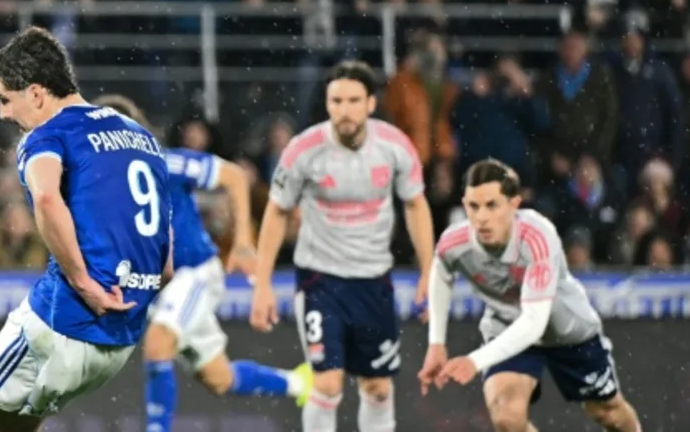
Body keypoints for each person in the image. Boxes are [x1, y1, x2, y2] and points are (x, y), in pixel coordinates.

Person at [0, 27, 172, 432]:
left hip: (61, 321)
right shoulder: (140, 137)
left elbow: (47, 198)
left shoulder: (47, 134)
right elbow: (167, 261)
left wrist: (84, 281)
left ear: (36, 93)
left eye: (5, 99)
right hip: (119, 340)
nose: (2, 113)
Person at [92, 94, 311, 430]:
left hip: (195, 272)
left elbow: (235, 177)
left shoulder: (167, 163)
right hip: (163, 288)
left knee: (158, 342)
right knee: (218, 377)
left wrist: (241, 243)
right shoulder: (97, 190)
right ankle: (299, 384)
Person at [250, 60, 436, 432]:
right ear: (326, 103)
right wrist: (262, 283)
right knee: (327, 383)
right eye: (336, 101)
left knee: (379, 388)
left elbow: (416, 205)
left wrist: (428, 274)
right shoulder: (303, 150)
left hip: (373, 280)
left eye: (353, 100)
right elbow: (276, 211)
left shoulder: (395, 147)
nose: (344, 110)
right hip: (321, 281)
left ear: (370, 103)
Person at [419, 159, 643, 432]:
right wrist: (436, 344)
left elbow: (535, 322)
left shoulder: (537, 237)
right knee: (507, 418)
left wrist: (475, 361)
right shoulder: (454, 242)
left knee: (609, 413)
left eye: (492, 205)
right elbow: (441, 272)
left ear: (514, 205)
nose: (481, 218)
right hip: (507, 326)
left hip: (566, 331)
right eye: (473, 206)